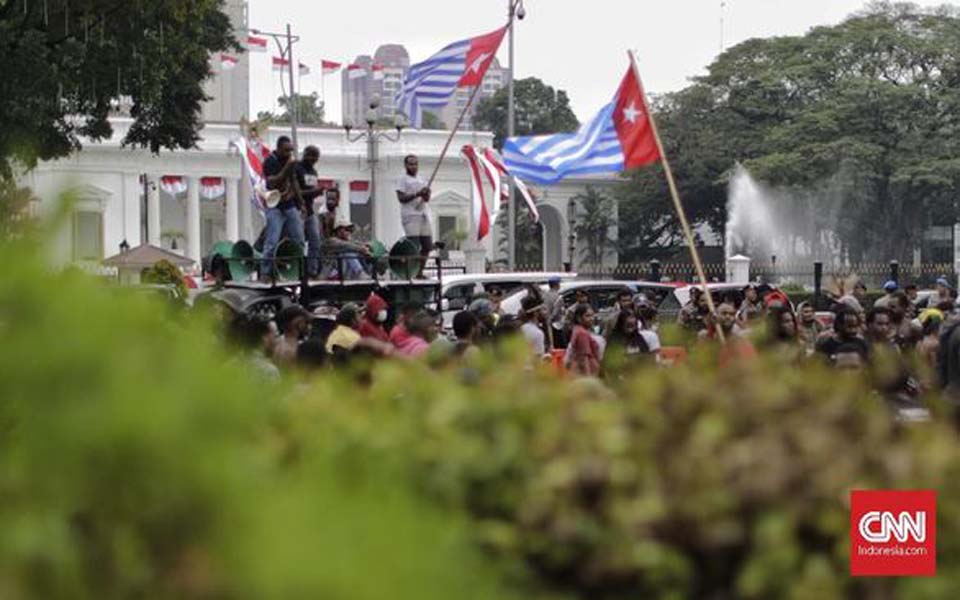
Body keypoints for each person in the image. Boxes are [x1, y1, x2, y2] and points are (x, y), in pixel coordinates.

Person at [260, 136, 306, 279]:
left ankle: (299, 270)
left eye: (290, 151)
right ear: (278, 148)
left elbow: (293, 181)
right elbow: (272, 183)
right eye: (286, 150)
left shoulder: (289, 162)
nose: (288, 154)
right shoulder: (270, 161)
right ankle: (265, 272)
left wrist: (300, 202)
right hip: (274, 206)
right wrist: (287, 167)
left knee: (299, 239)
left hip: (289, 204)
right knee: (271, 241)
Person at [395, 154, 433, 278]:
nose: (414, 166)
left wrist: (426, 193)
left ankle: (419, 272)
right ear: (406, 165)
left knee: (427, 245)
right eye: (411, 164)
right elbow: (401, 198)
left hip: (423, 214)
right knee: (414, 246)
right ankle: (411, 271)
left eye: (415, 164)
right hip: (410, 216)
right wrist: (417, 193)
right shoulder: (402, 179)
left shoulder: (423, 179)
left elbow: (427, 199)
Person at [296, 145, 327, 278]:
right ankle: (298, 269)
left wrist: (317, 192)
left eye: (316, 157)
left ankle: (311, 270)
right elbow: (297, 192)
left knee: (315, 240)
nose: (313, 159)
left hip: (309, 209)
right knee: (299, 241)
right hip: (297, 209)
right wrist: (314, 191)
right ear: (305, 154)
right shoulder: (297, 168)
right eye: (311, 156)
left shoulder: (313, 173)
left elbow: (311, 193)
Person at [566, 304, 601, 377]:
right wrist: (588, 379)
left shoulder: (577, 330)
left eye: (592, 315)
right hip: (585, 374)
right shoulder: (582, 333)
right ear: (579, 318)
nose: (591, 318)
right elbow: (584, 359)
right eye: (587, 316)